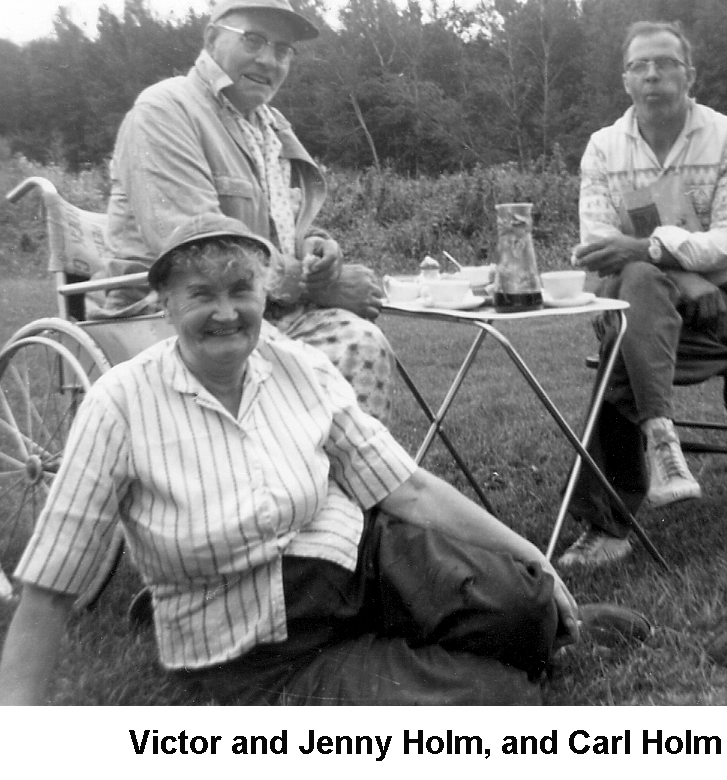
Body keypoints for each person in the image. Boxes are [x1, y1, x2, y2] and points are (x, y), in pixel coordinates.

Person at [0, 215, 583, 706]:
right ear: (165, 303)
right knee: (496, 702)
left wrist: (533, 554)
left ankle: (449, 630)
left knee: (529, 604)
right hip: (262, 641)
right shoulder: (119, 403)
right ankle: (398, 656)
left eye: (241, 291)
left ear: (264, 296)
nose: (226, 312)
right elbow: (51, 586)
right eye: (202, 294)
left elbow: (406, 489)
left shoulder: (295, 363)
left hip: (355, 559)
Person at [94, 0, 393, 423]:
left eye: (283, 50)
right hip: (168, 313)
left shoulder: (268, 126)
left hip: (254, 305)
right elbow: (195, 247)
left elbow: (279, 224)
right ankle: (324, 482)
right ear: (213, 39)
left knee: (361, 342)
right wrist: (317, 286)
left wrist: (315, 249)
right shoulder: (165, 110)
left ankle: (341, 487)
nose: (270, 61)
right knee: (350, 349)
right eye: (253, 40)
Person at [559, 21, 727, 570]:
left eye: (666, 63)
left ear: (689, 74)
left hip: (718, 305)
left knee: (622, 341)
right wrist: (672, 267)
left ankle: (609, 525)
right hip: (640, 298)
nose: (653, 74)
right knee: (639, 291)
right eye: (640, 65)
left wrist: (654, 252)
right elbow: (597, 246)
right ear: (626, 79)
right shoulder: (604, 147)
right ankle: (662, 438)